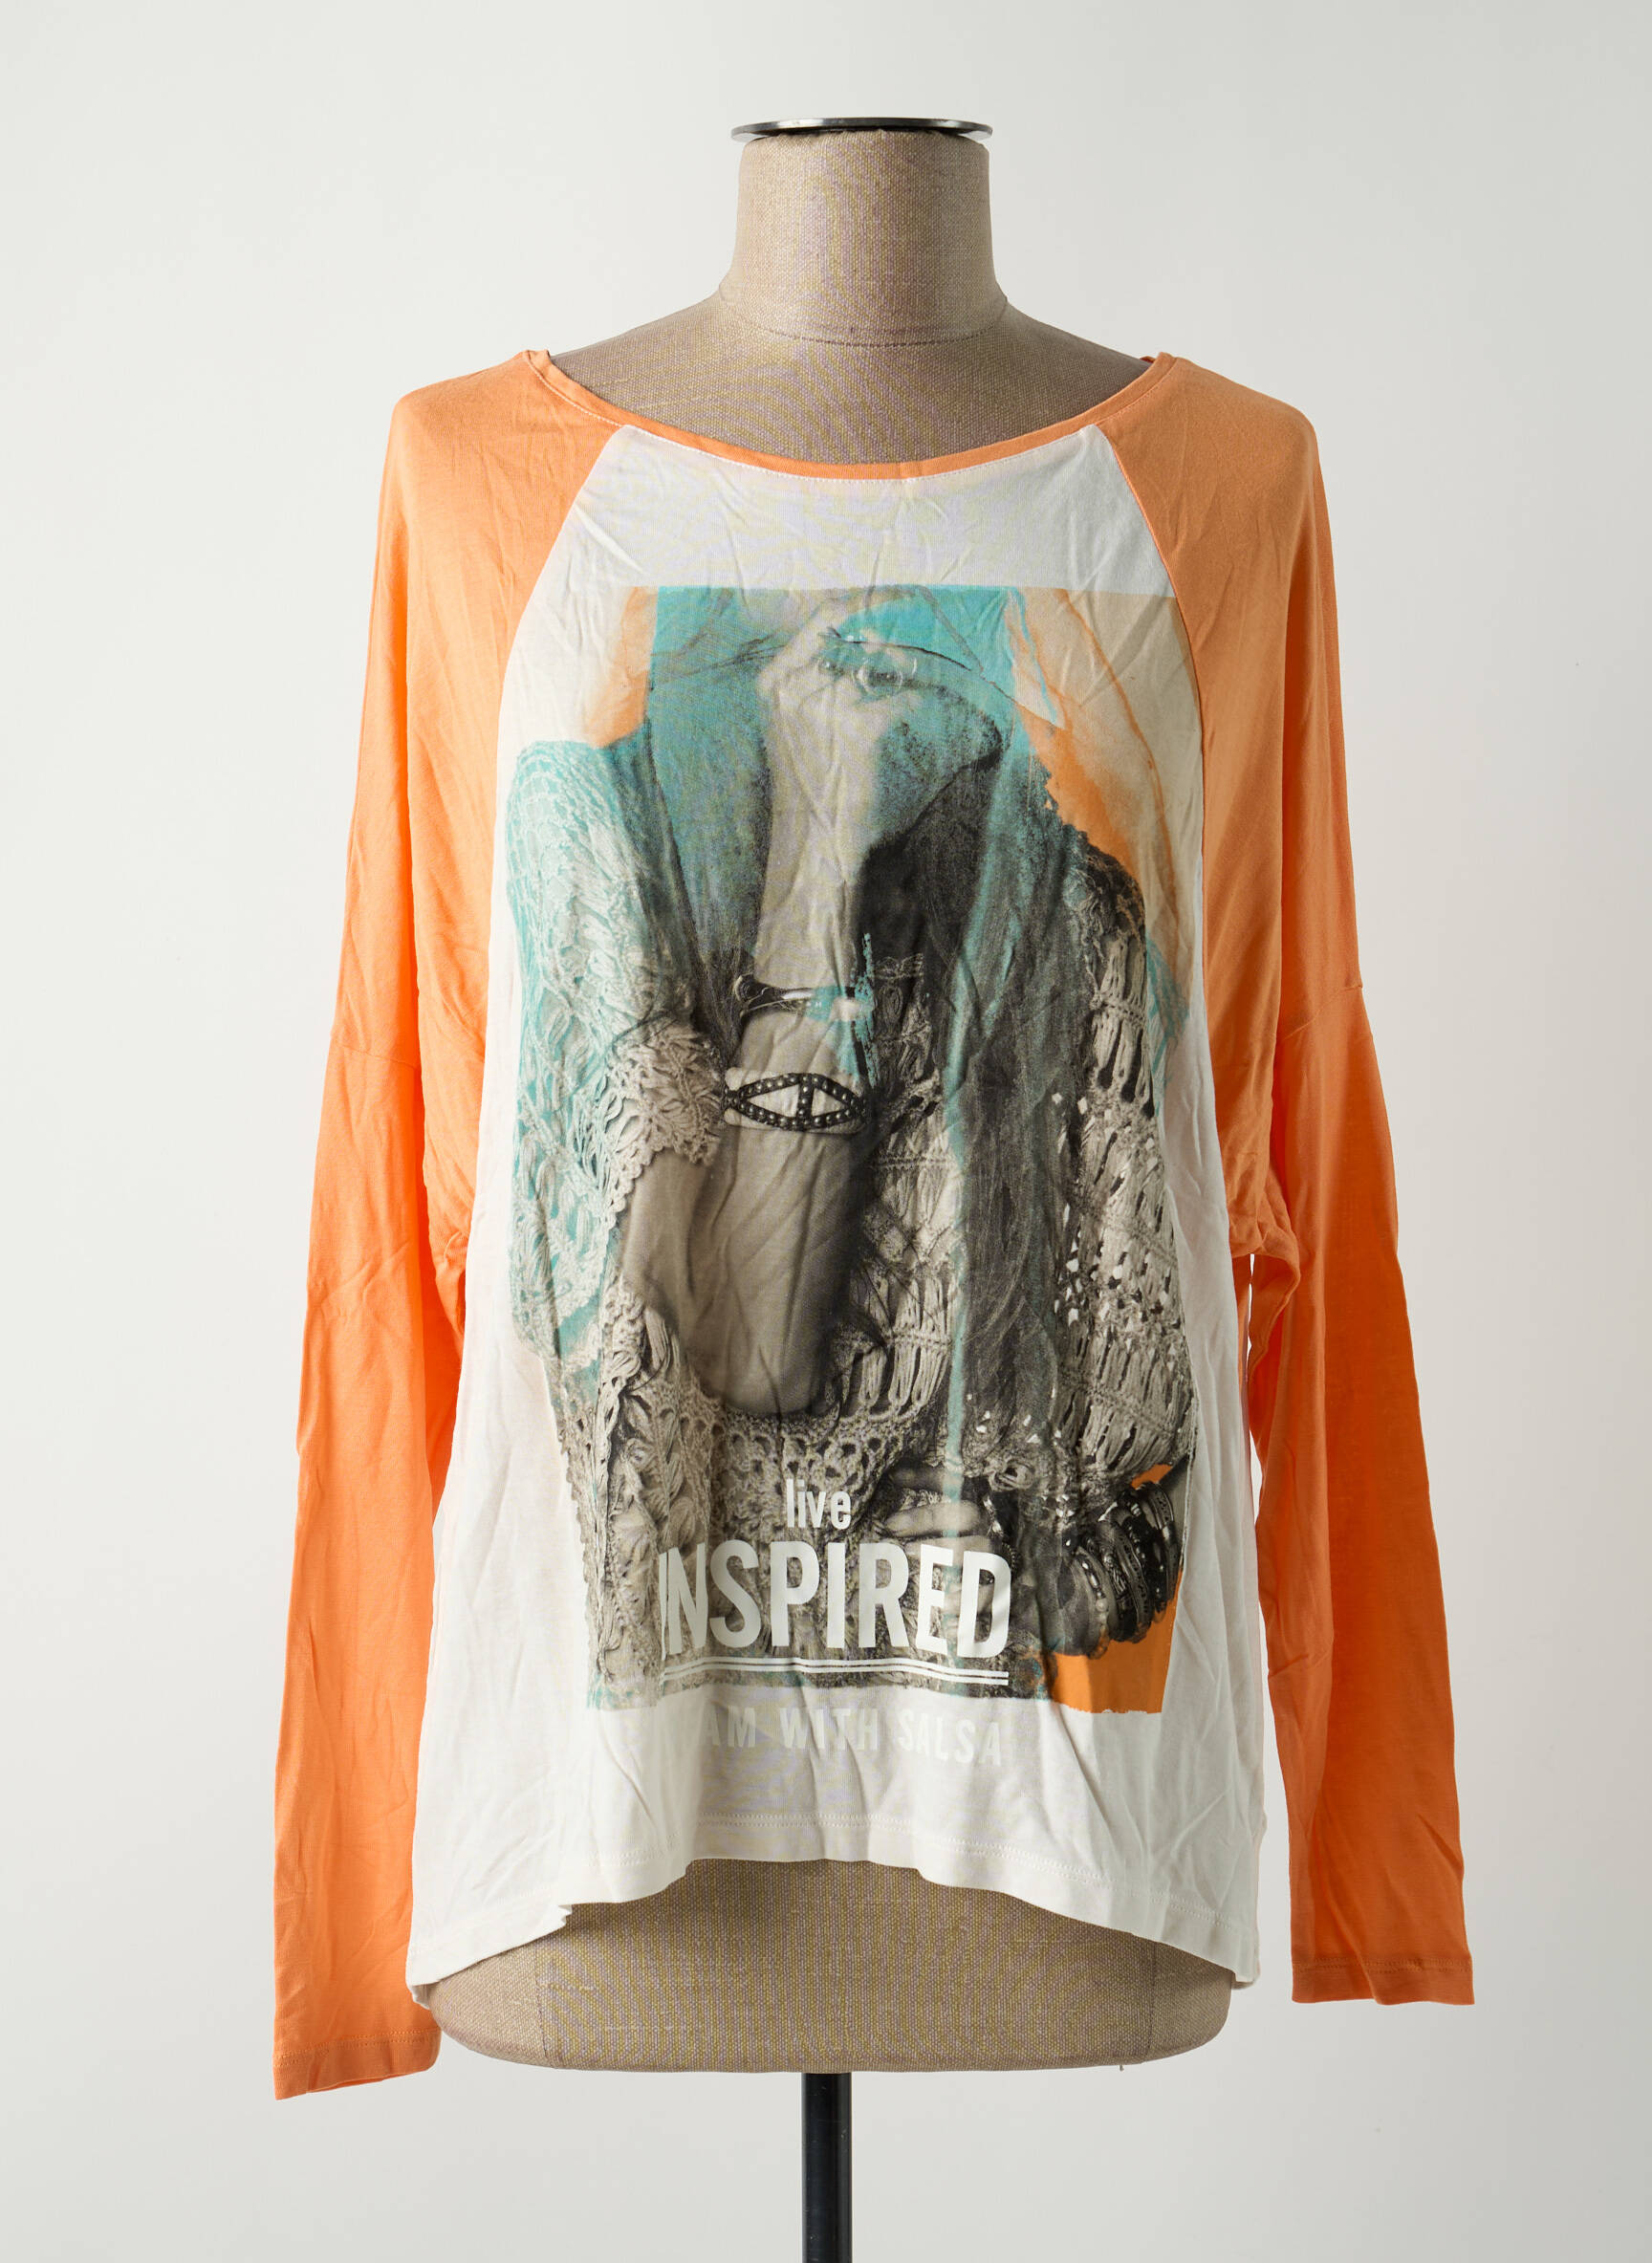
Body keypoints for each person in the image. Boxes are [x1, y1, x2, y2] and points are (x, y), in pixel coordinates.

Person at [505, 584, 1197, 1704]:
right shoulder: (595, 836)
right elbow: (754, 1351)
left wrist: (1047, 1577)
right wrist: (818, 854)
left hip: (965, 1781)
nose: (859, 618)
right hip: (661, 1769)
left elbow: (1229, 1419)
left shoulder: (1072, 925)